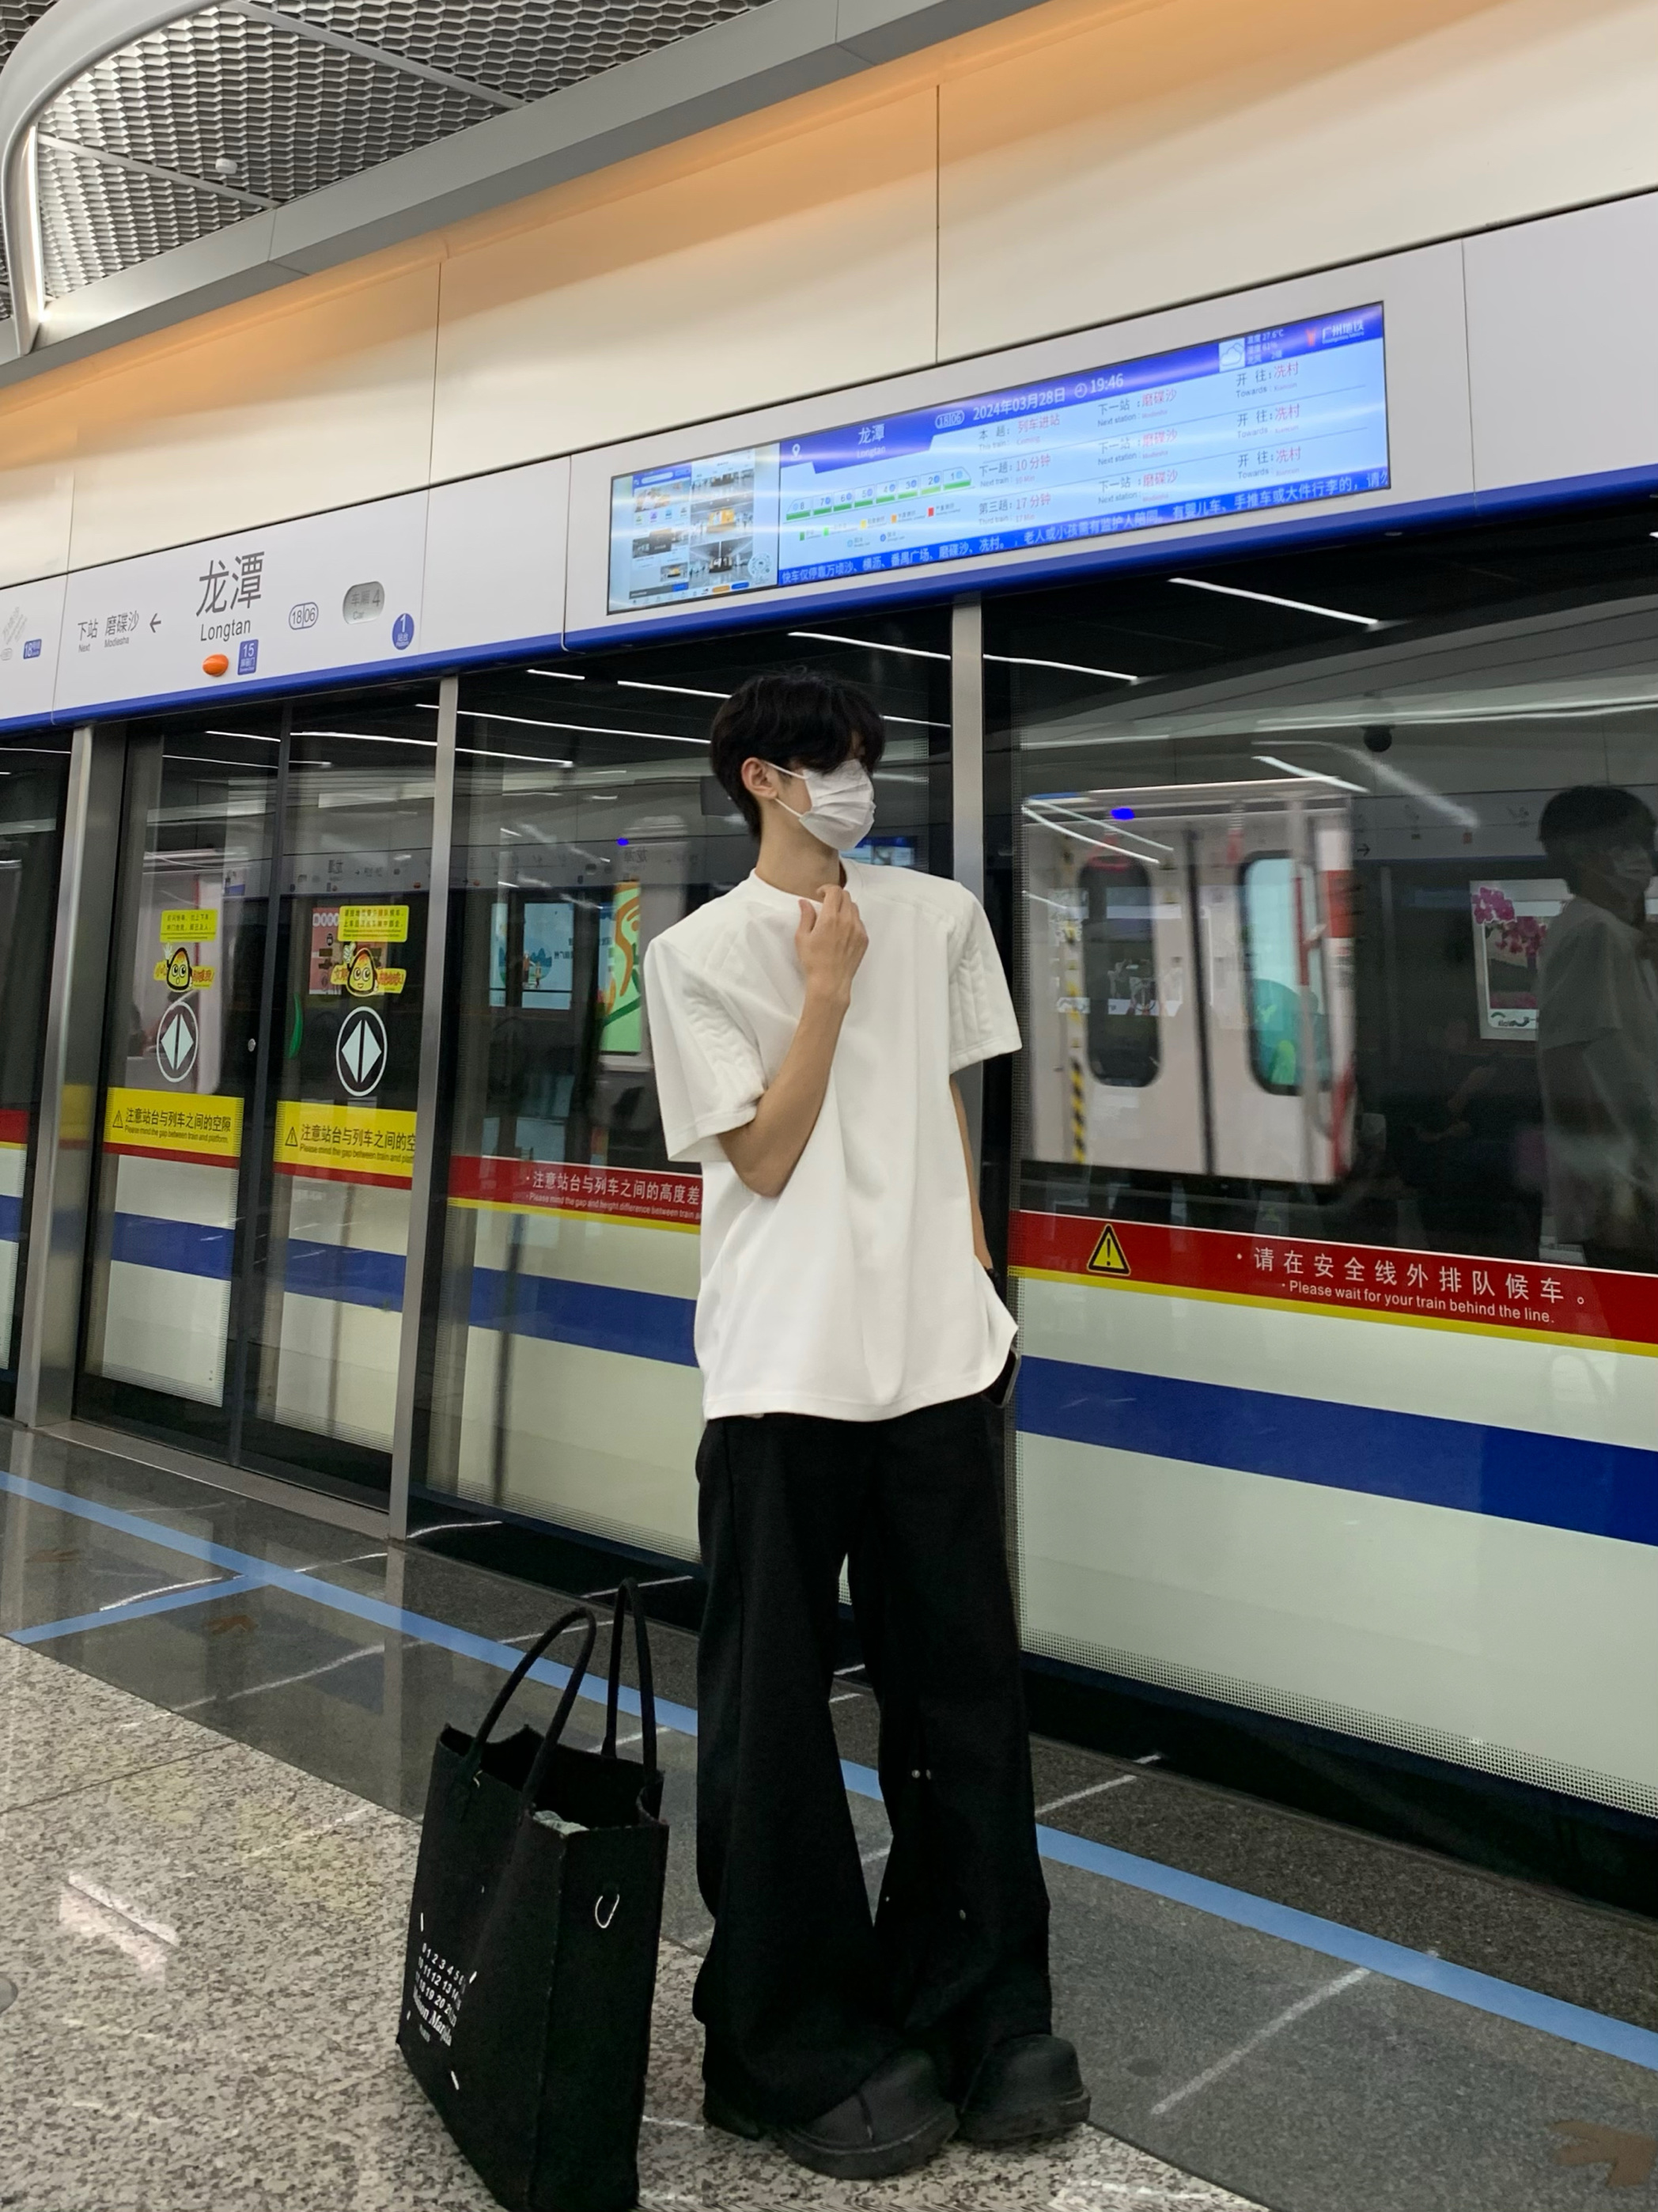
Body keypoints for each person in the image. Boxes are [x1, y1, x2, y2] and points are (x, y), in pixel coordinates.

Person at [642, 668, 1087, 2180]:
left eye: (864, 762)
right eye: (829, 763)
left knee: (964, 1694)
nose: (857, 786)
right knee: (770, 1711)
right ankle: (787, 2035)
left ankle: (987, 2002)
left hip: (936, 1364)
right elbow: (764, 1156)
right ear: (761, 780)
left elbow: (939, 1107)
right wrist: (824, 986)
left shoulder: (940, 915)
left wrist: (971, 1277)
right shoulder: (694, 955)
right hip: (782, 1370)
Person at [1535, 784, 1658, 1271]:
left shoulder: (1618, 933)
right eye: (1627, 843)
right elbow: (1566, 1064)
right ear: (1584, 855)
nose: (1643, 857)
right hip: (1629, 1193)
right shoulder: (1594, 932)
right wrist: (1612, 1197)